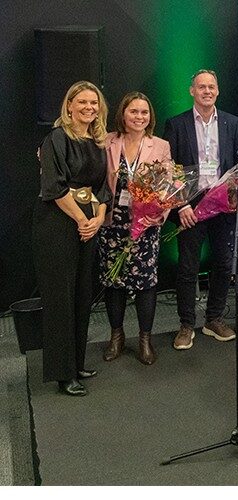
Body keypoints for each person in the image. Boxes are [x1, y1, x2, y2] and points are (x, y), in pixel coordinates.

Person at [34, 81, 111, 396]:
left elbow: (103, 188)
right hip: (57, 226)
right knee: (61, 300)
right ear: (69, 106)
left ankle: (76, 362)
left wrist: (99, 218)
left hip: (87, 225)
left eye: (94, 103)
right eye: (82, 103)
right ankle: (63, 373)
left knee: (82, 296)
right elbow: (54, 187)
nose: (89, 108)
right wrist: (82, 220)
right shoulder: (56, 139)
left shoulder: (96, 141)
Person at [164, 69, 238, 350]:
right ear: (192, 91)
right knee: (187, 267)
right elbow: (168, 169)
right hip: (191, 206)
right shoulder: (176, 125)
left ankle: (213, 319)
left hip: (222, 204)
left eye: (211, 86)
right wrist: (181, 204)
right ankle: (186, 325)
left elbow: (237, 167)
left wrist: (236, 197)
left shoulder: (232, 123)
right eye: (201, 87)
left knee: (224, 263)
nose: (207, 91)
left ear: (218, 91)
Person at [97, 92, 173, 365]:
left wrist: (160, 214)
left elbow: (168, 186)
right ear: (123, 114)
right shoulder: (107, 141)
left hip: (146, 226)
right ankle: (116, 336)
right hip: (112, 224)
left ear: (150, 117)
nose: (139, 117)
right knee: (113, 282)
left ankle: (145, 339)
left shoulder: (160, 145)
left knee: (146, 284)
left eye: (144, 112)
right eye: (134, 111)